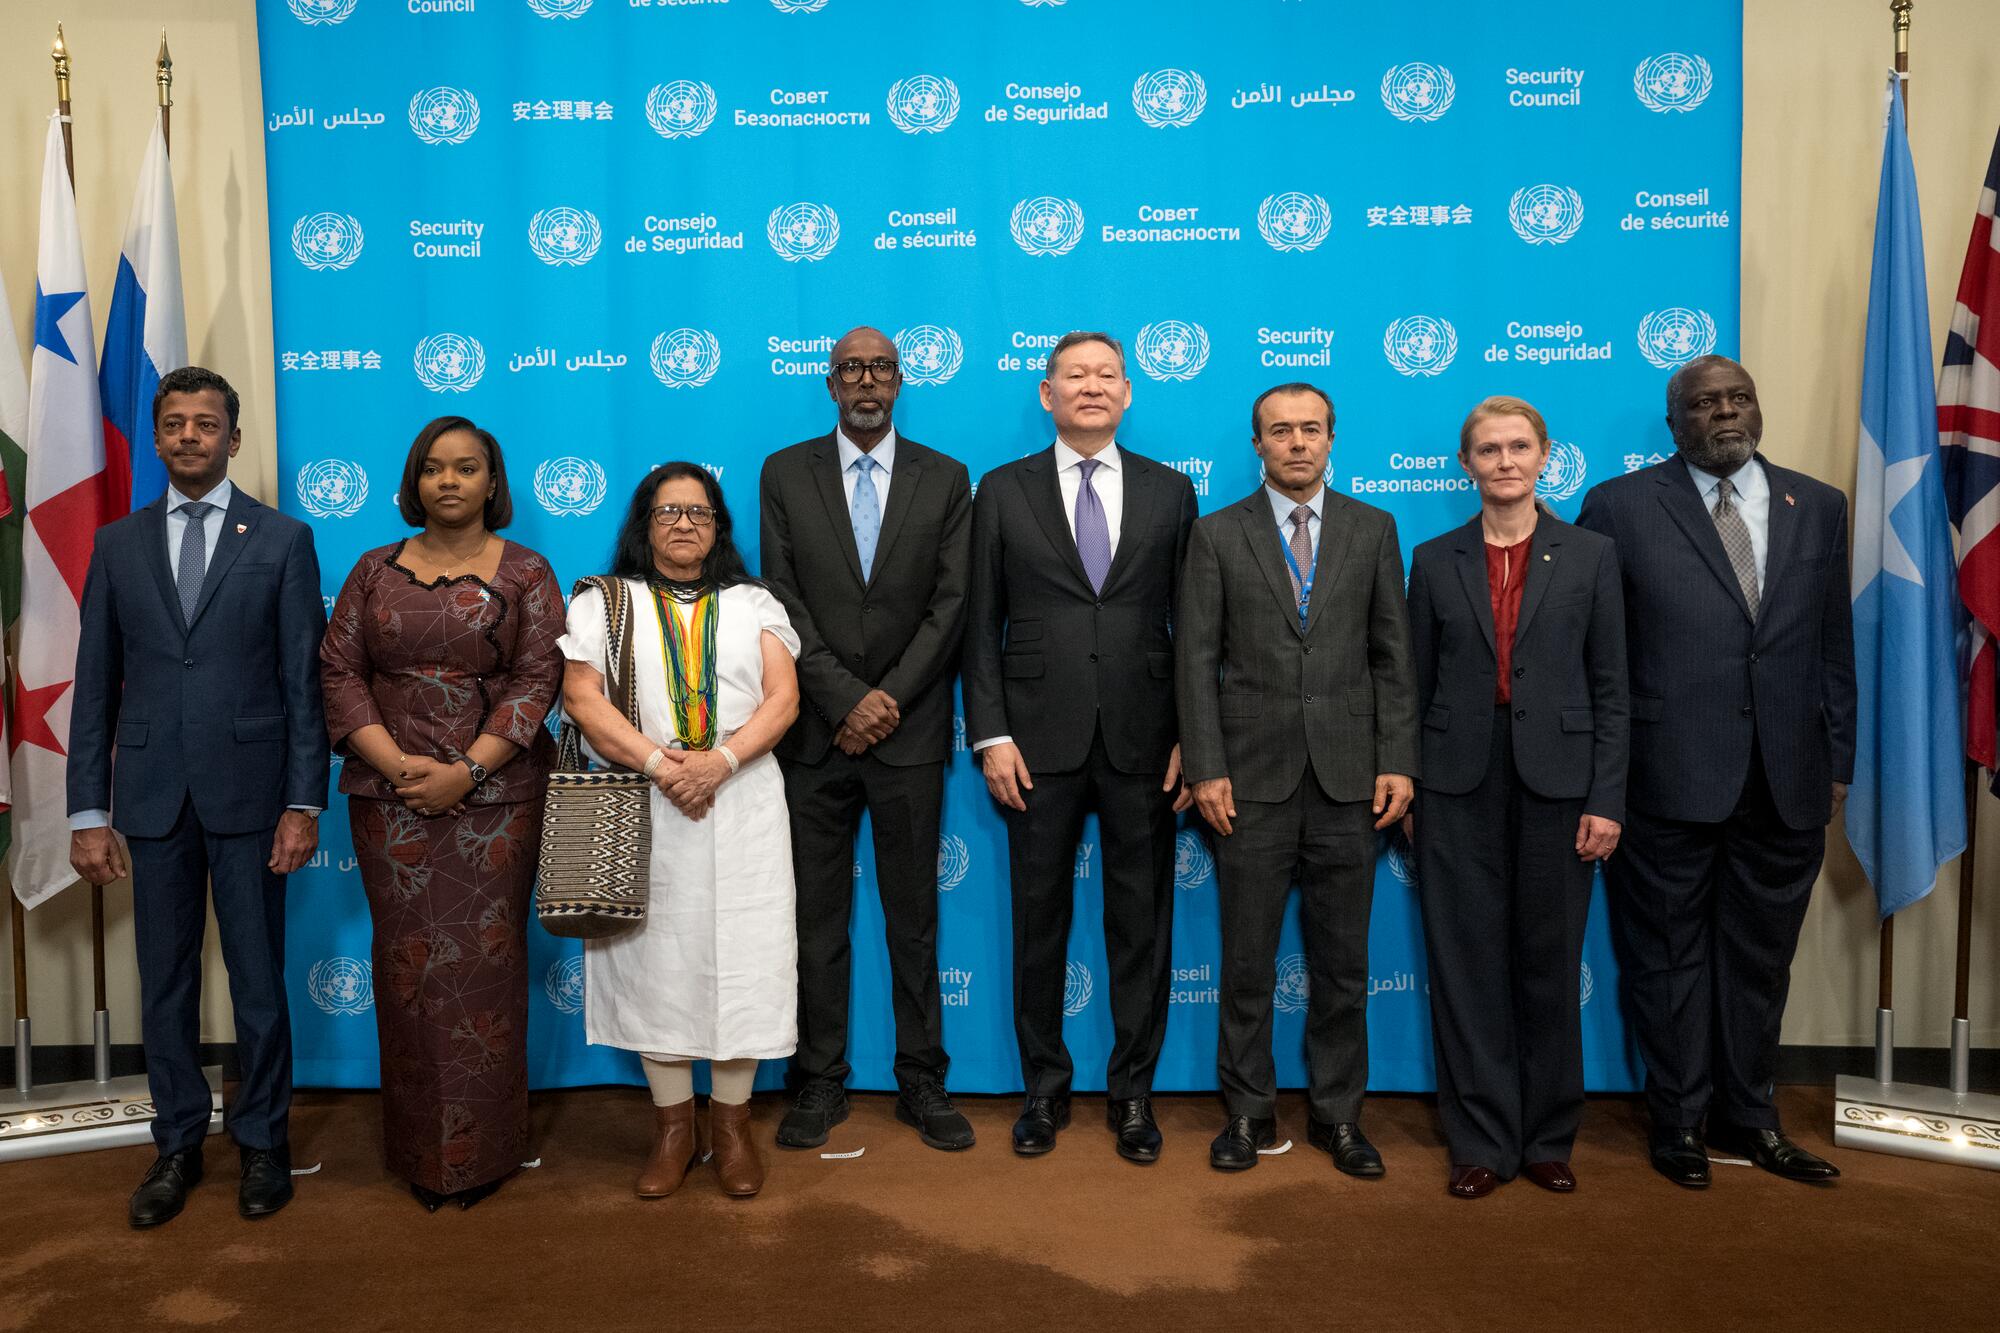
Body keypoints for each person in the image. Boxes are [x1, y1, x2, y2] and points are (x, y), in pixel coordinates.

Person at [1577, 355, 1855, 1188]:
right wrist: (1608, 777)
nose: (1723, 413)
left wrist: (1837, 760)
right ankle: (1679, 1120)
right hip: (1667, 778)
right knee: (1667, 959)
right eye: (1703, 403)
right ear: (1674, 424)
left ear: (1757, 409)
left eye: (1738, 398)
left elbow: (1831, 644)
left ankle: (1751, 1116)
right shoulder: (1620, 506)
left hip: (1789, 778)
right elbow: (1604, 662)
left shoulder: (1820, 505)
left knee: (1762, 961)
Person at [67, 366, 327, 1227]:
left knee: (257, 982)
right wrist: (85, 811)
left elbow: (302, 683)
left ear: (233, 438)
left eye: (205, 424)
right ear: (157, 436)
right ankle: (175, 1142)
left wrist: (304, 802)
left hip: (254, 798)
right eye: (173, 423)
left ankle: (263, 1142)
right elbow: (95, 685)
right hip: (148, 799)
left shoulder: (284, 540)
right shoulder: (116, 543)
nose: (189, 436)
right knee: (166, 982)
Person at [318, 417, 565, 1212]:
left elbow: (539, 678)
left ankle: (485, 1152)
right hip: (388, 804)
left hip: (496, 804)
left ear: (493, 482)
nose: (449, 481)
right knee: (410, 968)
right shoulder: (370, 570)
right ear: (414, 480)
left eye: (467, 468)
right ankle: (423, 1156)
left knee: (486, 969)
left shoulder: (528, 571)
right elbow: (339, 672)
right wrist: (397, 769)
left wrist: (464, 772)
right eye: (434, 469)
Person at [964, 331, 1197, 1163]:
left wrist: (1191, 741)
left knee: (1142, 927)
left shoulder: (1174, 493)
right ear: (1046, 392)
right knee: (1039, 924)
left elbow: (1195, 630)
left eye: (1106, 376)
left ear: (1127, 393)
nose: (1091, 388)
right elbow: (978, 627)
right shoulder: (1000, 489)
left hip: (1145, 741)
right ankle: (1043, 1092)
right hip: (1033, 742)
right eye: (1075, 376)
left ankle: (1134, 1096)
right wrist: (989, 733)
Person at [1176, 382, 1417, 1175]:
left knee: (1343, 966)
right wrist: (1206, 765)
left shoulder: (1374, 529)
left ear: (1332, 437)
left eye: (1311, 428)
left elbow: (1393, 658)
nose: (1297, 443)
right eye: (1280, 431)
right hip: (1249, 784)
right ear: (1258, 445)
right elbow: (1196, 661)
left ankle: (1340, 1117)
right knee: (1246, 962)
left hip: (1351, 783)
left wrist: (1396, 760)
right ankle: (1247, 1113)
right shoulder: (1215, 535)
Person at [1404, 396, 1628, 1199]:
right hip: (1454, 780)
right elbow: (1409, 687)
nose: (1504, 461)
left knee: (1546, 962)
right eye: (1488, 449)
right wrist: (1408, 782)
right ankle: (1479, 1139)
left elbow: (1613, 687)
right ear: (1466, 464)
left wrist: (1607, 797)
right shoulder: (1433, 559)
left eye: (1519, 447)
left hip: (1561, 784)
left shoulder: (1593, 554)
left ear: (1545, 456)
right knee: (1465, 966)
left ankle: (1544, 1136)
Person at [759, 326, 975, 1152]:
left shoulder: (946, 477)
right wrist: (845, 697)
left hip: (910, 732)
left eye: (880, 368)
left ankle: (923, 1078)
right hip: (814, 734)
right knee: (818, 919)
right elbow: (779, 597)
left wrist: (886, 699)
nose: (867, 381)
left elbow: (951, 605)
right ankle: (818, 1081)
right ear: (829, 383)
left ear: (900, 380)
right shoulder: (785, 472)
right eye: (851, 368)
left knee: (914, 918)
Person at [560, 463, 801, 1199]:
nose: (685, 524)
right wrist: (666, 767)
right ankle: (673, 1129)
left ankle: (730, 1127)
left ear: (719, 526)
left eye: (699, 512)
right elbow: (580, 698)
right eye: (668, 512)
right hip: (645, 800)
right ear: (644, 525)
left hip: (743, 800)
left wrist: (719, 761)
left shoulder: (754, 601)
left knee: (745, 961)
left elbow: (783, 697)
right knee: (654, 963)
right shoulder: (604, 602)